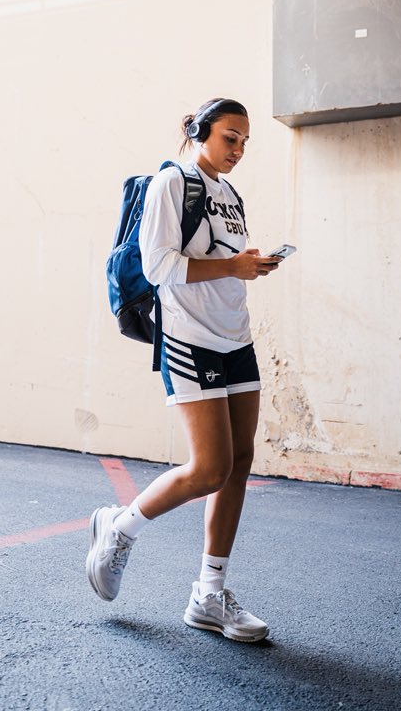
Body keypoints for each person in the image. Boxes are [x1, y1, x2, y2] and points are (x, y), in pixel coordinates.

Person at [86, 98, 281, 642]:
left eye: (245, 142)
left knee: (240, 462)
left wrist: (249, 265)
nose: (239, 150)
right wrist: (234, 265)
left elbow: (219, 264)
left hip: (234, 336)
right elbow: (160, 266)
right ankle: (119, 528)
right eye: (229, 138)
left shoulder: (228, 194)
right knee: (209, 468)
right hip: (189, 339)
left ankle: (209, 594)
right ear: (200, 132)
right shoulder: (171, 184)